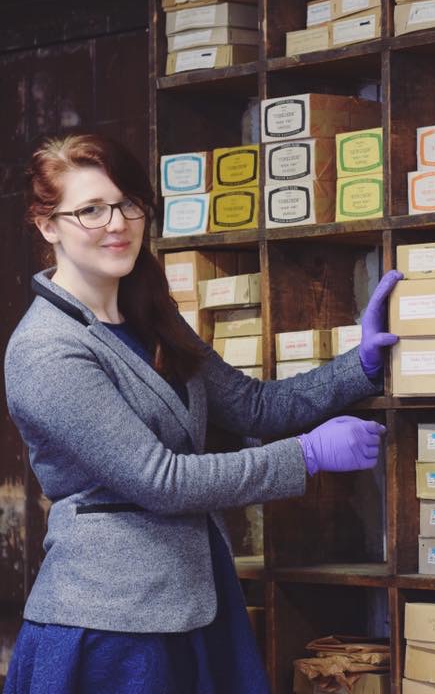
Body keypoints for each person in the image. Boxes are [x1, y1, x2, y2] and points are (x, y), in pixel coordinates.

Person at [2, 134, 402, 693]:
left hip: (191, 603)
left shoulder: (148, 314)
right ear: (48, 226)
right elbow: (159, 480)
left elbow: (252, 406)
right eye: (90, 210)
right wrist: (307, 455)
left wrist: (359, 366)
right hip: (111, 624)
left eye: (128, 203)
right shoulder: (48, 349)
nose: (116, 223)